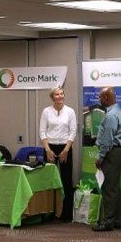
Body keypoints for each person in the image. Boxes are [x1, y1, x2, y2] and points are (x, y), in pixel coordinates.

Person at [39, 86, 76, 222]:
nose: (60, 96)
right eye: (57, 94)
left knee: (66, 181)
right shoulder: (46, 111)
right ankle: (48, 213)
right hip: (50, 147)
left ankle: (67, 214)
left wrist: (66, 150)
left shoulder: (70, 111)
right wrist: (48, 150)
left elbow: (72, 132)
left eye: (62, 94)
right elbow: (42, 131)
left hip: (65, 147)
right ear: (52, 97)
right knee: (49, 181)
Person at [92, 87, 121, 231]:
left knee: (109, 188)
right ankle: (117, 219)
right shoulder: (119, 112)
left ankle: (108, 221)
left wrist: (100, 157)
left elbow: (108, 140)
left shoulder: (110, 116)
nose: (99, 100)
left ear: (105, 98)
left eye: (100, 97)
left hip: (111, 153)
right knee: (115, 188)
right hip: (118, 152)